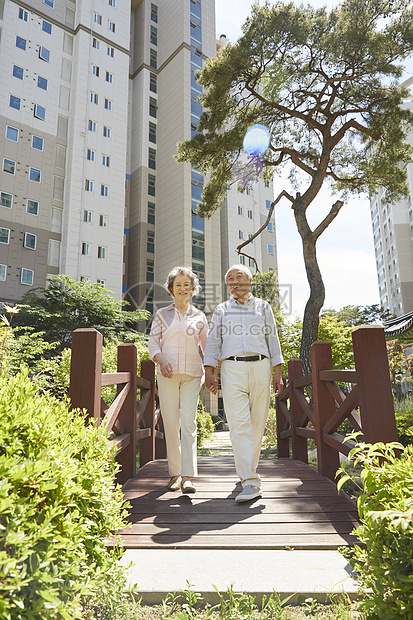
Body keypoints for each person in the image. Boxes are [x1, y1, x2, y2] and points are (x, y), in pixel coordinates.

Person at [204, 265, 284, 503]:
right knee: (239, 425)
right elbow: (213, 341)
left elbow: (273, 338)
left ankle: (248, 470)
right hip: (232, 368)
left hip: (261, 367)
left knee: (257, 425)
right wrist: (210, 371)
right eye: (230, 278)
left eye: (239, 277)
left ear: (250, 281)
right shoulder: (221, 309)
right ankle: (250, 480)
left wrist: (277, 371)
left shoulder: (263, 307)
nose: (234, 281)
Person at [148, 266, 208, 494]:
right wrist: (161, 359)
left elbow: (207, 346)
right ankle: (176, 473)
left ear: (193, 288)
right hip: (167, 374)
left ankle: (188, 477)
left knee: (188, 422)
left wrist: (211, 371)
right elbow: (153, 343)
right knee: (171, 423)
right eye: (178, 285)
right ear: (171, 289)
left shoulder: (200, 316)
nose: (182, 288)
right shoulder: (162, 314)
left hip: (193, 374)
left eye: (186, 285)